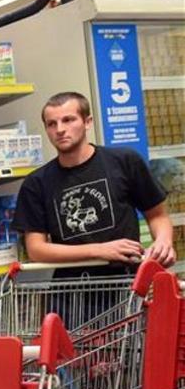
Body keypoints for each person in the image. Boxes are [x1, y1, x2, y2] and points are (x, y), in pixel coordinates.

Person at [13, 91, 174, 274]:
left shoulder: (124, 161)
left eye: (68, 120)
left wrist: (163, 242)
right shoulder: (36, 183)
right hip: (72, 292)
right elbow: (36, 250)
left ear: (87, 122)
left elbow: (157, 215)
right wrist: (100, 250)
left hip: (127, 286)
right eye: (51, 124)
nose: (59, 130)